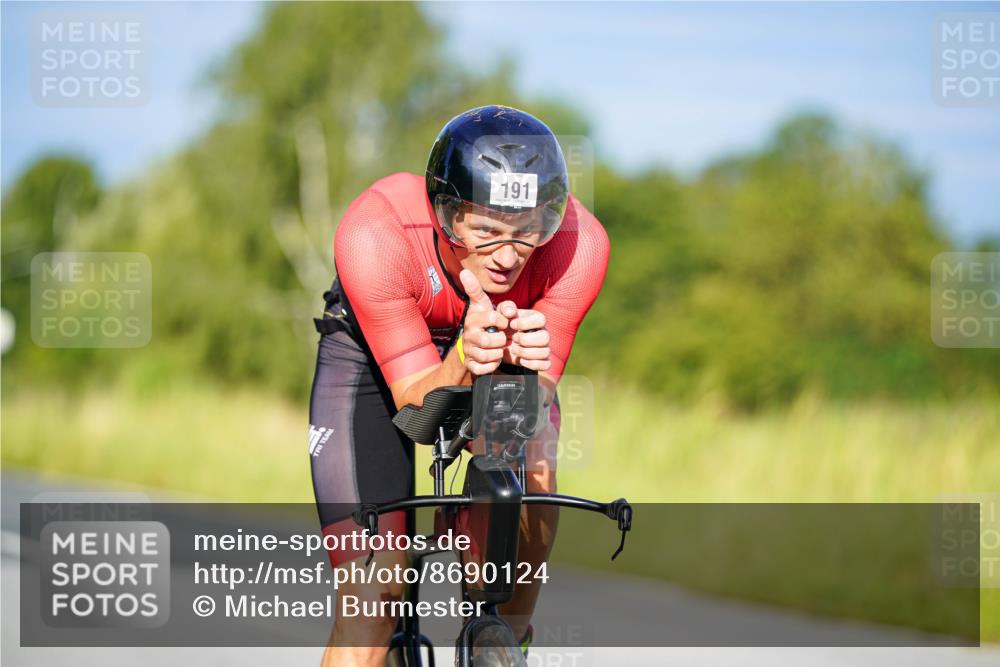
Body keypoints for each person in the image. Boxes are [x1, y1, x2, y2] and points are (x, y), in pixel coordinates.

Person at [309, 104, 609, 666]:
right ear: (447, 215)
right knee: (373, 601)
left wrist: (517, 379)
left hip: (499, 351)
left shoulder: (579, 245)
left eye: (526, 235)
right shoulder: (376, 233)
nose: (507, 256)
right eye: (487, 231)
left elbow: (530, 408)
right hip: (376, 362)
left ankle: (505, 639)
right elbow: (417, 411)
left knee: (535, 473)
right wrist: (464, 359)